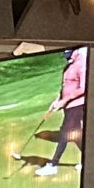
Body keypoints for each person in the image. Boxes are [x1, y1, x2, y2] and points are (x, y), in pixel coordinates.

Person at [34, 46, 86, 178]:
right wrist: (57, 100)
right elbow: (65, 87)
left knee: (65, 133)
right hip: (67, 106)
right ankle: (90, 160)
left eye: (69, 55)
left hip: (76, 105)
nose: (68, 58)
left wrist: (64, 101)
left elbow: (83, 88)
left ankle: (53, 165)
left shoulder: (81, 64)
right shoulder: (68, 67)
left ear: (75, 52)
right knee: (75, 135)